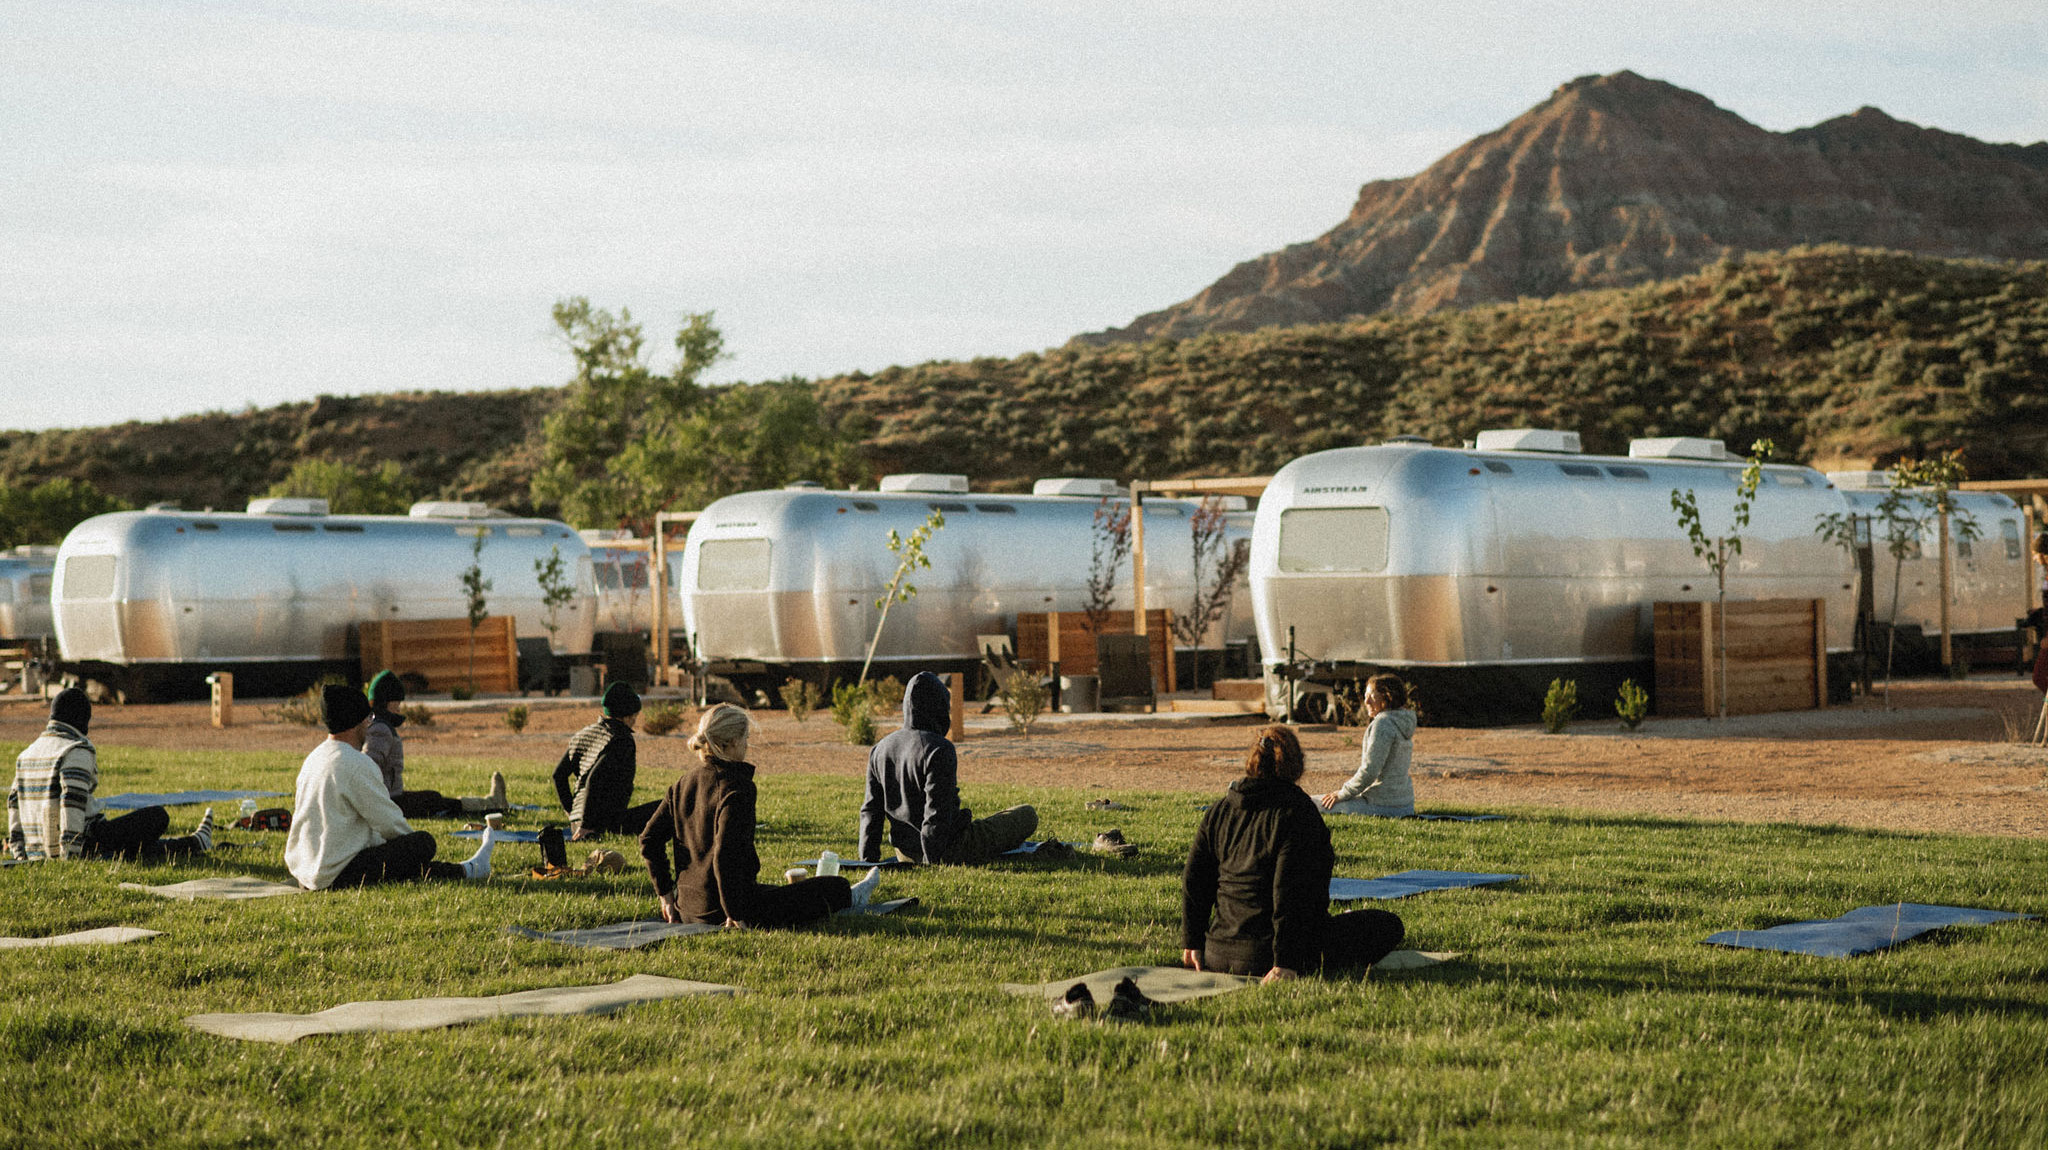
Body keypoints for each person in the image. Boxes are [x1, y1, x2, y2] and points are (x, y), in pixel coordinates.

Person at [1182, 725, 1404, 982]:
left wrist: (1193, 942)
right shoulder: (1298, 814)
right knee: (1387, 925)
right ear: (1296, 766)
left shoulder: (1220, 810)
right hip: (1268, 958)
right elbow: (1291, 892)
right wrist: (1285, 962)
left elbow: (1195, 879)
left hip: (1217, 952)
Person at [640, 703, 880, 927]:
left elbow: (649, 839)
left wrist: (666, 895)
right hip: (727, 910)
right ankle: (851, 897)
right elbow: (726, 858)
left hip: (687, 909)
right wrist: (735, 914)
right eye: (745, 739)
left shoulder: (684, 783)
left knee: (778, 892)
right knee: (835, 887)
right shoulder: (736, 788)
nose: (746, 745)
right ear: (732, 742)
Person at [284, 685, 496, 890]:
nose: (369, 725)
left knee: (395, 862)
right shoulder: (355, 763)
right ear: (356, 722)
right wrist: (411, 849)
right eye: (368, 719)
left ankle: (466, 870)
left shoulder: (314, 758)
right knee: (423, 843)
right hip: (336, 874)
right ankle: (469, 870)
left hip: (306, 871)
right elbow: (390, 823)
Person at [7, 688, 216, 861]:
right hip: (78, 844)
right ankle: (194, 843)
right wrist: (71, 854)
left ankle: (196, 842)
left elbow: (14, 809)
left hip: (37, 850)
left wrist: (19, 853)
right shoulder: (74, 749)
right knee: (157, 817)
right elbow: (72, 802)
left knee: (135, 847)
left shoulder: (26, 754)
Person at [858, 671, 1037, 864]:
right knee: (1027, 814)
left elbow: (871, 812)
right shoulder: (938, 749)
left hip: (906, 853)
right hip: (947, 849)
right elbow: (936, 813)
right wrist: (931, 861)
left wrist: (868, 860)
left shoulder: (880, 749)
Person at [362, 670, 507, 819]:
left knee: (433, 798)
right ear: (386, 701)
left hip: (389, 798)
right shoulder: (380, 729)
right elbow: (367, 765)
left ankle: (488, 803)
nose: (399, 707)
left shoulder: (378, 726)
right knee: (433, 800)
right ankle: (489, 805)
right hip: (388, 802)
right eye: (397, 702)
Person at [554, 682, 659, 840]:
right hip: (601, 824)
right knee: (670, 805)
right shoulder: (621, 740)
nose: (635, 721)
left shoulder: (584, 734)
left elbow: (558, 775)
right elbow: (594, 779)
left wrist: (572, 812)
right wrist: (587, 826)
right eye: (634, 716)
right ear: (627, 715)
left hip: (577, 823)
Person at [1314, 674, 1416, 817]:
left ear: (1388, 698)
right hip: (1404, 805)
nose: (1366, 701)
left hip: (1381, 805)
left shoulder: (1383, 724)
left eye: (1372, 696)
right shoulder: (1401, 721)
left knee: (1310, 805)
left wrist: (1342, 793)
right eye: (1366, 695)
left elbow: (1370, 771)